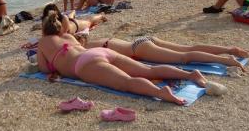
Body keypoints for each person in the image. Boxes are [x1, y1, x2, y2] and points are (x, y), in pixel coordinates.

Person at [37, 12, 207, 105]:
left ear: (44, 31)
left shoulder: (43, 42)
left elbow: (43, 68)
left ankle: (159, 92)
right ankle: (190, 74)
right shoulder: (68, 36)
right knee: (149, 70)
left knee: (126, 82)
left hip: (85, 64)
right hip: (99, 52)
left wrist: (56, 65)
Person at [80, 35, 249, 73]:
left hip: (139, 49)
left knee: (184, 58)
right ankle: (229, 49)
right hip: (144, 40)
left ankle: (225, 60)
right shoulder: (96, 40)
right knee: (188, 48)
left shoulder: (87, 49)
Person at [41, 3, 107, 35]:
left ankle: (101, 16)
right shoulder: (45, 21)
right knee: (70, 17)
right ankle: (73, 12)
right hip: (69, 22)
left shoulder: (64, 18)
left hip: (75, 25)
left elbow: (63, 35)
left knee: (89, 21)